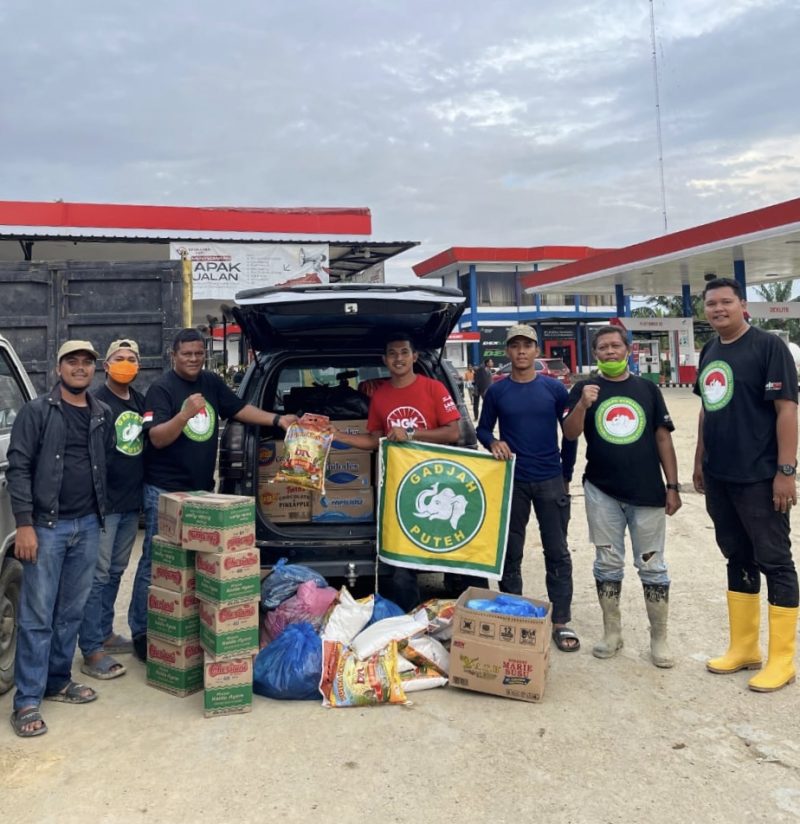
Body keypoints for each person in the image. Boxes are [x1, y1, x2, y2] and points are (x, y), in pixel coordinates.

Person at [129, 328, 296, 661]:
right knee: (156, 561)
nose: (193, 359)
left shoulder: (210, 382)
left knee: (194, 563)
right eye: (186, 354)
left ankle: (184, 624)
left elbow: (238, 409)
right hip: (164, 491)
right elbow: (158, 438)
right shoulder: (161, 389)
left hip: (201, 491)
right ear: (173, 355)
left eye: (198, 353)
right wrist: (184, 414)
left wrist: (278, 420)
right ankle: (142, 631)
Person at [693, 277, 799, 692]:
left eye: (726, 302)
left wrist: (786, 471)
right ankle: (744, 647)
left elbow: (787, 410)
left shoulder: (769, 347)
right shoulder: (711, 349)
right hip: (720, 474)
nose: (719, 309)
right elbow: (707, 407)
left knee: (775, 561)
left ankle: (783, 659)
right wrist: (701, 457)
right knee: (736, 556)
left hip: (760, 476)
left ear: (743, 305)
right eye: (712, 304)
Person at [7, 340, 114, 737]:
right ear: (58, 369)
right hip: (47, 528)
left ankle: (57, 681)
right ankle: (27, 700)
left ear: (94, 371)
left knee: (70, 612)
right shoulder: (37, 413)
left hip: (86, 525)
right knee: (37, 616)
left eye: (87, 362)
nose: (80, 368)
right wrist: (25, 524)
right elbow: (19, 467)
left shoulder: (100, 413)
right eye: (73, 362)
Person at [334, 334, 485, 610]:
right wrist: (336, 436)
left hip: (437, 486)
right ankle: (408, 629)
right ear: (384, 360)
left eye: (404, 352)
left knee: (445, 553)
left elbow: (453, 432)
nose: (399, 358)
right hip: (397, 488)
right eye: (392, 353)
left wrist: (412, 434)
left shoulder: (434, 388)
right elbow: (374, 440)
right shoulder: (380, 397)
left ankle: (464, 619)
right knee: (401, 567)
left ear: (414, 357)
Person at [563, 325, 681, 668]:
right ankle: (611, 632)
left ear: (627, 349)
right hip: (602, 491)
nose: (610, 352)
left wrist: (672, 485)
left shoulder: (646, 388)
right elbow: (570, 433)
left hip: (647, 493)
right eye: (603, 347)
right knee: (607, 563)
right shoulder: (584, 388)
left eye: (616, 345)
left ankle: (659, 637)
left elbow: (663, 438)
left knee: (653, 566)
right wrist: (583, 406)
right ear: (595, 354)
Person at [477, 324, 580, 652]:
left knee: (558, 551)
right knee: (510, 551)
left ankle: (561, 620)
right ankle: (512, 614)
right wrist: (493, 442)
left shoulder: (554, 390)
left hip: (551, 478)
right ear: (507, 352)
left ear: (537, 351)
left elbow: (570, 434)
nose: (521, 352)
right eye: (515, 346)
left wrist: (566, 472)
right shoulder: (496, 391)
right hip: (513, 481)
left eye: (527, 346)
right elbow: (482, 429)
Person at [77, 340, 145, 681]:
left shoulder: (139, 401)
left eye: (132, 359)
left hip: (131, 502)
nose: (126, 364)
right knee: (97, 576)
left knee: (116, 572)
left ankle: (104, 632)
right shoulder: (96, 402)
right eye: (119, 359)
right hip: (105, 505)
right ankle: (91, 649)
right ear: (106, 365)